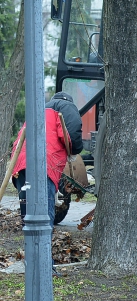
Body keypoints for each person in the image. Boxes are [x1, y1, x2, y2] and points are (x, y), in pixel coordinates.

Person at [12, 92, 83, 226]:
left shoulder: (38, 110)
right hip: (45, 163)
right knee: (45, 214)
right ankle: (43, 246)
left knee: (27, 212)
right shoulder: (66, 106)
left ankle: (30, 246)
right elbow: (72, 133)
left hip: (20, 163)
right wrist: (75, 150)